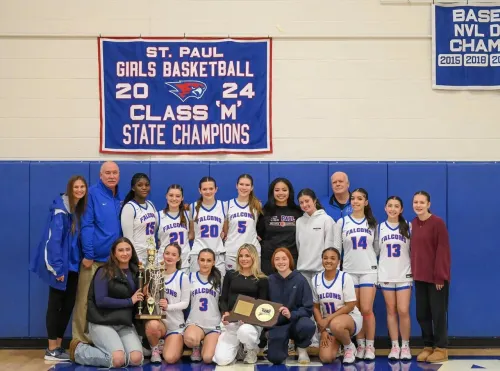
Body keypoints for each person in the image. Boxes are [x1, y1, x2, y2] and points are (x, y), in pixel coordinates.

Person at [30, 175, 88, 361]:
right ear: (70, 189)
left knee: (67, 305)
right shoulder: (60, 212)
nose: (79, 190)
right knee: (55, 306)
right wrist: (57, 268)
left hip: (72, 267)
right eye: (76, 187)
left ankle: (59, 346)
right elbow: (53, 242)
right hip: (61, 268)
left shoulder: (76, 210)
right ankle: (51, 348)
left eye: (82, 187)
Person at [69, 237, 144, 368]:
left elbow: (139, 300)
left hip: (124, 323)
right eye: (120, 250)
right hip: (102, 322)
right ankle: (79, 351)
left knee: (136, 359)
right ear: (114, 253)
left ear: (132, 251)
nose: (125, 253)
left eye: (128, 249)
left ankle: (117, 351)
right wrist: (129, 301)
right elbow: (101, 301)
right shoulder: (103, 271)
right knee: (118, 360)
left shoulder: (137, 272)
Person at [73, 161, 122, 343]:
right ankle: (79, 341)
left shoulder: (118, 196)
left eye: (114, 173)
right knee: (84, 300)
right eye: (107, 173)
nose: (111, 176)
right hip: (92, 260)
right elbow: (86, 225)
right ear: (100, 175)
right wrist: (88, 254)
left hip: (113, 261)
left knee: (107, 301)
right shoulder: (92, 193)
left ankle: (103, 339)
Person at [333, 188, 379, 360]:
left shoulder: (372, 223)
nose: (355, 201)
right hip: (350, 271)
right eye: (353, 198)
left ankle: (370, 346)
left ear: (366, 202)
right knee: (356, 311)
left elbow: (376, 249)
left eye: (360, 199)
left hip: (368, 270)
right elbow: (337, 248)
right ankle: (359, 345)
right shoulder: (342, 222)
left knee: (367, 309)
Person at [411, 191, 451, 363]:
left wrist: (440, 276)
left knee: (438, 314)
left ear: (429, 204)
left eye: (422, 202)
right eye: (415, 202)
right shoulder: (412, 223)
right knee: (422, 314)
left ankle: (441, 348)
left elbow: (443, 250)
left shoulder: (438, 223)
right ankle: (428, 345)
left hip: (436, 279)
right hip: (419, 277)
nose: (418, 205)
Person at [212, 244, 269, 366]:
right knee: (222, 360)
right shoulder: (231, 275)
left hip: (250, 325)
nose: (244, 259)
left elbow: (262, 305)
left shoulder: (262, 279)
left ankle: (251, 349)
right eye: (241, 256)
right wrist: (225, 312)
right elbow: (223, 299)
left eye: (247, 256)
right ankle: (237, 348)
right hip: (232, 322)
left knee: (245, 331)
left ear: (254, 257)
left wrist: (250, 319)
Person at [312, 248, 363, 365]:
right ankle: (339, 341)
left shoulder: (345, 277)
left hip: (349, 319)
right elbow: (315, 307)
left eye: (332, 258)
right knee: (326, 358)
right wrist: (323, 330)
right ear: (322, 260)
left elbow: (350, 305)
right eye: (325, 258)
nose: (328, 261)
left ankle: (349, 347)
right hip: (328, 325)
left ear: (338, 261)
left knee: (336, 324)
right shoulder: (316, 279)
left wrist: (328, 320)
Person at [378, 196, 413, 360]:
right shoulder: (379, 228)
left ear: (401, 209)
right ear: (385, 208)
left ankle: (405, 345)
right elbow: (376, 252)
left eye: (396, 206)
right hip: (386, 275)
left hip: (404, 274)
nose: (393, 209)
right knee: (391, 310)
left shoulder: (409, 227)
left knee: (403, 310)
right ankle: (394, 345)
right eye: (390, 206)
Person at [267, 248, 315, 365]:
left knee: (307, 325)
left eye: (284, 258)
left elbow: (308, 308)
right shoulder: (269, 280)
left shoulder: (300, 280)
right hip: (278, 324)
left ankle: (302, 348)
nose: (281, 262)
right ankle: (282, 344)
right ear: (273, 262)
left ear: (290, 260)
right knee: (275, 358)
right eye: (277, 259)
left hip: (296, 322)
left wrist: (292, 314)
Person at [144, 242, 190, 364]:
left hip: (175, 325)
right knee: (152, 325)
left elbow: (185, 303)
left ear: (179, 258)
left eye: (173, 254)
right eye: (167, 253)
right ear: (163, 255)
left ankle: (171, 343)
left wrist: (168, 306)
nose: (169, 256)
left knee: (170, 358)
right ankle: (155, 348)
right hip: (161, 323)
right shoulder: (155, 275)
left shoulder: (182, 277)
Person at [257, 178, 302, 275]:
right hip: (269, 260)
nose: (281, 193)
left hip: (291, 258)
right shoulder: (265, 211)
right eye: (277, 190)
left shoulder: (298, 212)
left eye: (284, 190)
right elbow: (259, 235)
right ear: (272, 192)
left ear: (290, 192)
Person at [184, 249, 223, 363]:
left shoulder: (219, 278)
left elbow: (223, 302)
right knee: (190, 339)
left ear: (214, 262)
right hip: (195, 323)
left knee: (207, 358)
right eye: (202, 260)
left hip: (213, 324)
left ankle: (206, 342)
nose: (205, 263)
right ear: (198, 261)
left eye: (209, 260)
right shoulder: (190, 277)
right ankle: (197, 345)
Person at [296, 188, 335, 287]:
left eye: (307, 201)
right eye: (301, 202)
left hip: (320, 270)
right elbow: (298, 245)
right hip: (303, 271)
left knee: (320, 301)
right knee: (306, 302)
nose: (304, 205)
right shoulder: (299, 221)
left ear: (314, 200)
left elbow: (330, 246)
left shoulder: (326, 220)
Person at [188, 176, 227, 276]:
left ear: (216, 189)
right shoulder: (193, 207)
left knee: (219, 288)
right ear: (199, 190)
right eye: (204, 189)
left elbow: (226, 231)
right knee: (196, 288)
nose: (208, 191)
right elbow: (191, 233)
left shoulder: (223, 206)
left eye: (211, 188)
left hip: (218, 255)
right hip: (198, 254)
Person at [223, 174, 262, 271]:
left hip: (252, 252)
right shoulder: (227, 205)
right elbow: (225, 230)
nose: (244, 187)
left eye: (247, 185)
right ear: (236, 185)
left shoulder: (257, 205)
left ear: (252, 187)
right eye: (241, 184)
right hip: (232, 252)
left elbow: (260, 225)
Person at [120, 173, 158, 265]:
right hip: (138, 256)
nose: (144, 187)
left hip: (152, 255)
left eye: (147, 185)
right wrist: (135, 258)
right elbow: (128, 238)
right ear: (133, 188)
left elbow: (155, 228)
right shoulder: (129, 207)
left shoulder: (150, 204)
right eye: (140, 185)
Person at [157, 184, 190, 272]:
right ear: (166, 196)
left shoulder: (188, 214)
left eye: (178, 196)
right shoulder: (158, 216)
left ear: (182, 198)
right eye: (171, 195)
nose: (174, 199)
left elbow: (192, 235)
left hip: (183, 263)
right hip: (163, 263)